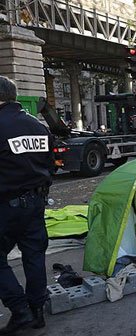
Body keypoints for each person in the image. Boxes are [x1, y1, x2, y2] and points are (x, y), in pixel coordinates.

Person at [0, 76, 54, 333]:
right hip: (36, 202)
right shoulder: (38, 126)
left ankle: (20, 310)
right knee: (34, 256)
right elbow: (49, 164)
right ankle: (36, 311)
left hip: (5, 205)